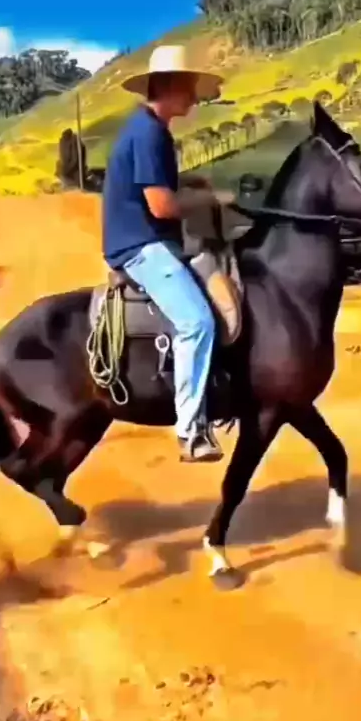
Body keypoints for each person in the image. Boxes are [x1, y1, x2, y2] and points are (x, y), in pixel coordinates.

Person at [103, 45, 228, 463]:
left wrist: (191, 183)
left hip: (148, 239)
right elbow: (160, 206)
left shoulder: (149, 129)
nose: (194, 97)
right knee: (196, 322)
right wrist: (212, 198)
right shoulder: (149, 134)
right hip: (140, 246)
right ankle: (191, 431)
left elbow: (157, 187)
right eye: (189, 88)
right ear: (170, 86)